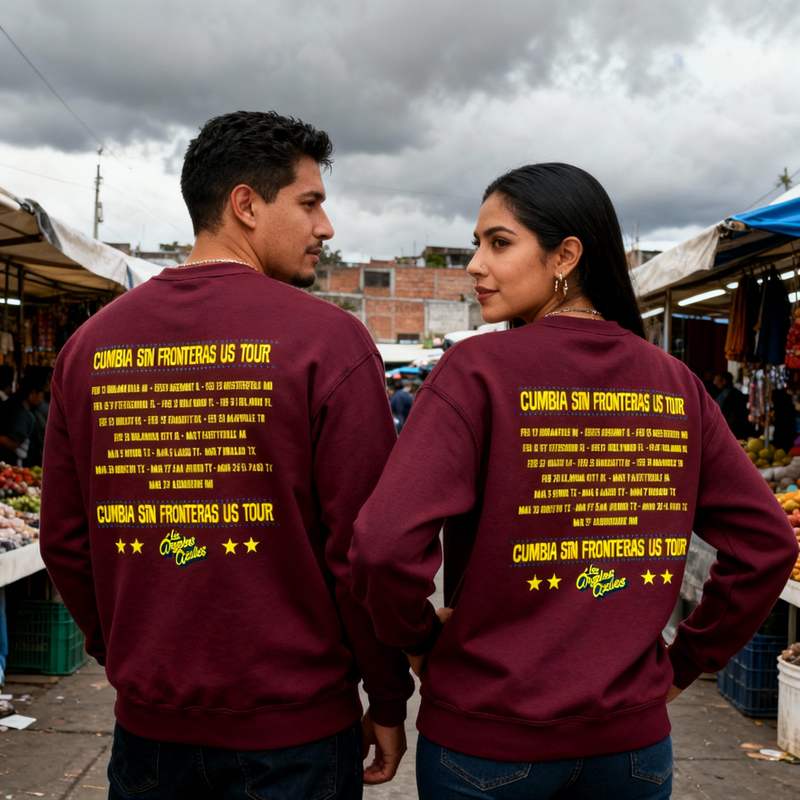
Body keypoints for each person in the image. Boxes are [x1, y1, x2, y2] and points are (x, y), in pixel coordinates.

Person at [350, 163, 799, 799]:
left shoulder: (476, 371)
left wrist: (420, 642)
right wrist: (683, 666)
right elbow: (770, 543)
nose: (475, 265)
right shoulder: (675, 383)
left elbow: (380, 545)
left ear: (566, 255)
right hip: (633, 751)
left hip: (489, 744)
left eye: (498, 243)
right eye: (477, 244)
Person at [40, 110, 412, 800]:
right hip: (293, 739)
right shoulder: (328, 342)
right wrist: (387, 696)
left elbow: (65, 541)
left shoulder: (89, 348)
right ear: (245, 204)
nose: (325, 229)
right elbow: (363, 553)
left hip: (149, 734)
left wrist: (130, 656)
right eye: (310, 203)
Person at [0, 373, 47, 465]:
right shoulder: (20, 413)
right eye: (42, 394)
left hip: (15, 464)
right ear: (33, 393)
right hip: (11, 463)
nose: (42, 399)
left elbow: (12, 444)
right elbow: (11, 443)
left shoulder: (22, 413)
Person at [712, 370, 755, 439]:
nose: (715, 383)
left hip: (736, 429)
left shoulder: (733, 395)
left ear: (724, 381)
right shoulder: (724, 393)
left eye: (717, 381)